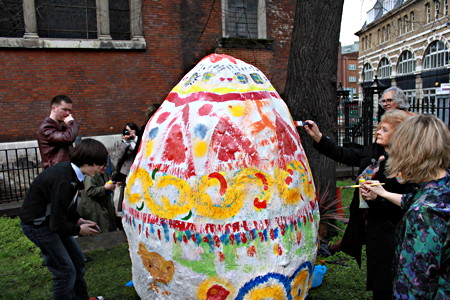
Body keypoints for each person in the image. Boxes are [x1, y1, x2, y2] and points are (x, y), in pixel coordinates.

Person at [303, 109, 414, 299]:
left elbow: (406, 202)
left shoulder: (407, 163)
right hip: (367, 222)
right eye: (378, 128)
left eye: (385, 130)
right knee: (377, 270)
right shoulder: (373, 151)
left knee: (389, 273)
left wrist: (378, 198)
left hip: (391, 227)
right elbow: (344, 154)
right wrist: (319, 137)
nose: (378, 132)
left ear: (400, 135)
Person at [363, 114, 450, 299]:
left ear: (410, 152)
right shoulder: (443, 183)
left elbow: (414, 285)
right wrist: (384, 193)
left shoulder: (424, 214)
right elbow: (414, 198)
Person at [19, 138, 107, 300]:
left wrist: (78, 220)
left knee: (78, 261)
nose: (101, 169)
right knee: (65, 271)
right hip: (38, 225)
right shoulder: (66, 181)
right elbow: (57, 224)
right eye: (99, 165)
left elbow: (64, 206)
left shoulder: (71, 173)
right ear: (88, 162)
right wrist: (79, 230)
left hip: (50, 220)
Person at [37, 95, 80, 169]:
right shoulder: (46, 128)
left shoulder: (62, 126)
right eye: (64, 109)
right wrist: (71, 122)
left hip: (64, 169)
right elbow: (67, 138)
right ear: (53, 108)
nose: (68, 113)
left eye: (69, 110)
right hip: (55, 172)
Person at [78, 163, 117, 233]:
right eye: (103, 165)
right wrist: (105, 188)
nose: (106, 167)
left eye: (106, 165)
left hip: (104, 205)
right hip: (94, 209)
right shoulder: (89, 175)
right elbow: (90, 191)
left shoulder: (104, 173)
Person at [112, 122, 140, 211]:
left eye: (131, 130)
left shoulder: (139, 139)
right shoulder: (124, 142)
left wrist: (135, 138)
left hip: (138, 170)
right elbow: (119, 157)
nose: (129, 133)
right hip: (127, 172)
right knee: (126, 194)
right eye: (127, 131)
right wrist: (125, 142)